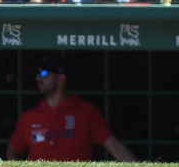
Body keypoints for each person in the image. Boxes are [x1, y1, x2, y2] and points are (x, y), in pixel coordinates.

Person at [7, 56, 137, 161]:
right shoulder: (28, 117)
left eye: (44, 73)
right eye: (37, 74)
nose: (38, 78)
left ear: (61, 78)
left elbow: (115, 148)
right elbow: (13, 150)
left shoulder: (85, 111)